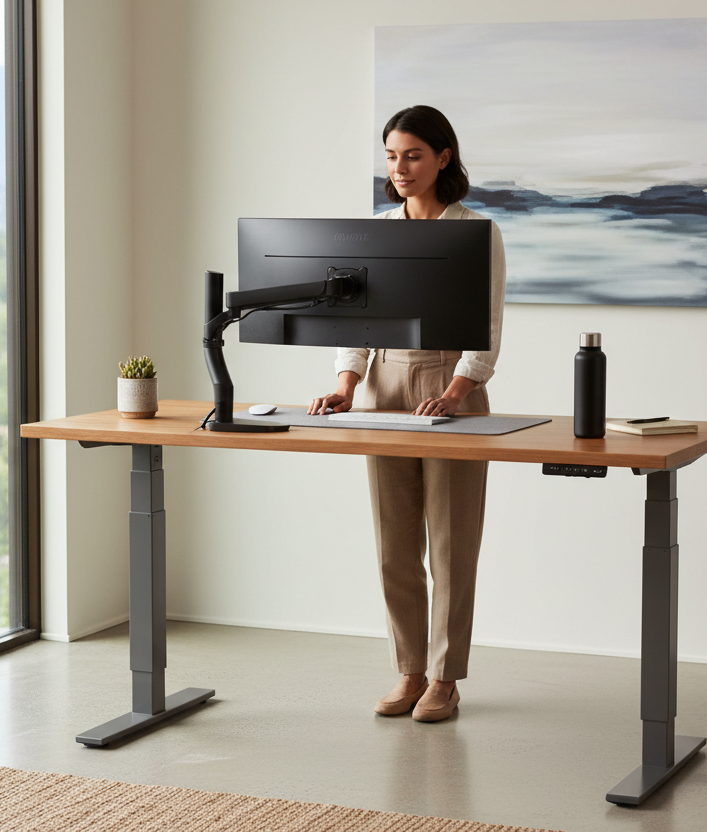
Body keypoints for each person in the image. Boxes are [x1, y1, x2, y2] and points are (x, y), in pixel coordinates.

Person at [308, 105, 506, 722]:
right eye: (391, 156)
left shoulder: (476, 231)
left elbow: (488, 329)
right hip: (382, 388)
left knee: (451, 542)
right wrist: (345, 385)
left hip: (452, 387)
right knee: (394, 543)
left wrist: (456, 391)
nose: (399, 168)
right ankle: (408, 670)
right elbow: (356, 326)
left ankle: (445, 679)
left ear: (443, 157)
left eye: (413, 155)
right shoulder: (376, 230)